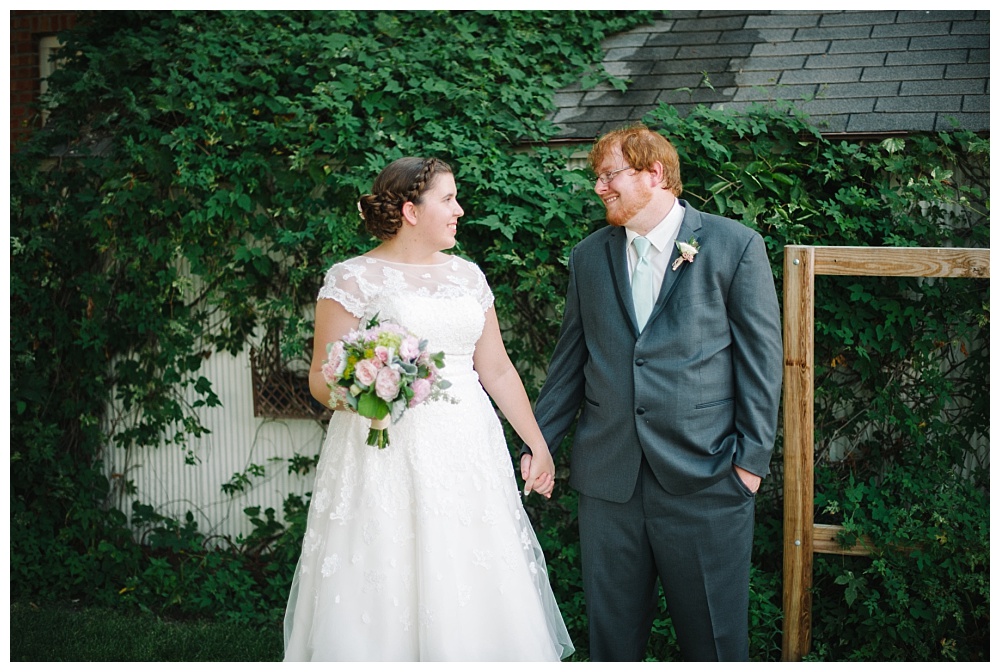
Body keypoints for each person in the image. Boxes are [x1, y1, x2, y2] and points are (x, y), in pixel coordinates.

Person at [282, 156, 574, 662]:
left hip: (467, 447)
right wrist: (361, 390)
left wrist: (537, 443)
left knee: (468, 567)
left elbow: (498, 369)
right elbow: (319, 378)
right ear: (410, 211)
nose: (459, 210)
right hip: (385, 450)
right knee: (386, 568)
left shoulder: (467, 276)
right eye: (448, 199)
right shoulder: (353, 279)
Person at [522, 123, 782, 661]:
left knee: (713, 643)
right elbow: (570, 362)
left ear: (654, 173)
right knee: (613, 646)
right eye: (598, 177)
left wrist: (750, 463)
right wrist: (538, 442)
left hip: (708, 479)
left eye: (610, 174)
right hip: (609, 483)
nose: (600, 187)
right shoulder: (589, 257)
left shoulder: (735, 246)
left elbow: (761, 363)